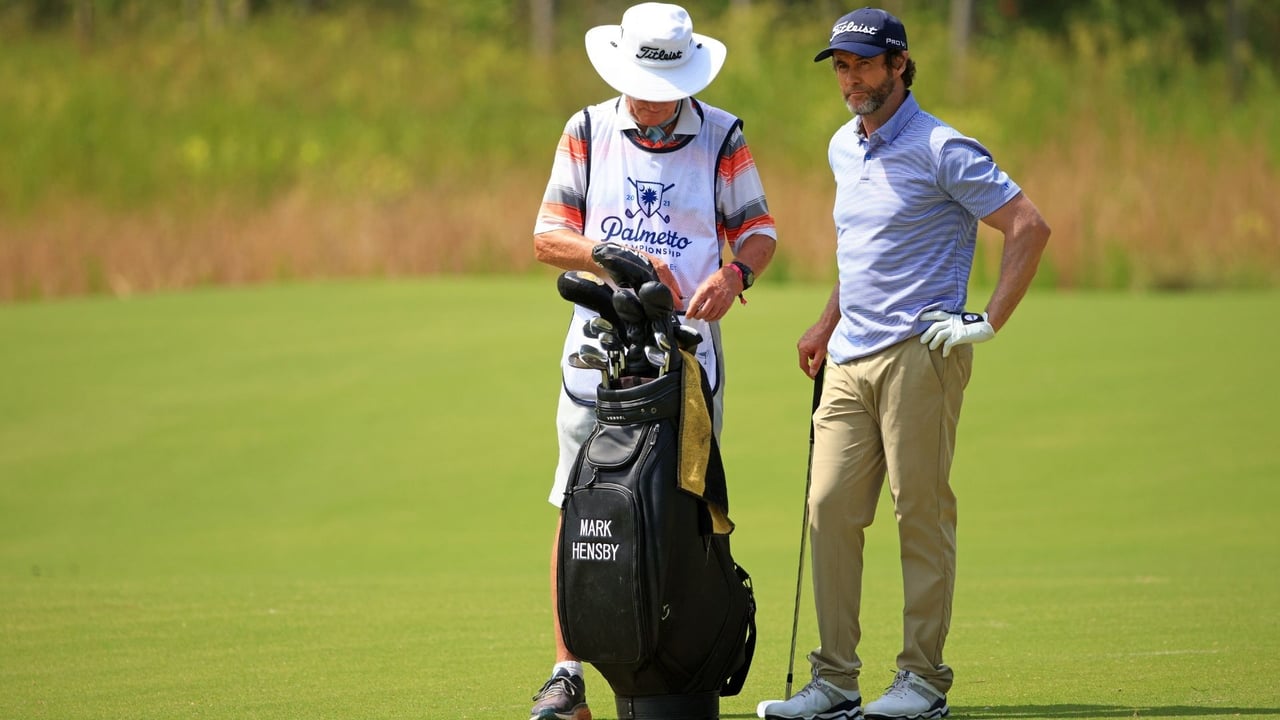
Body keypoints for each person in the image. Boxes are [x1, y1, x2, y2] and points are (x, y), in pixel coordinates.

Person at [757, 7, 1050, 720]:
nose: (851, 78)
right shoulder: (841, 147)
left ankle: (922, 681)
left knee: (918, 513)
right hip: (850, 358)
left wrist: (986, 320)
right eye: (841, 66)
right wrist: (825, 321)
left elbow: (1028, 225)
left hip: (922, 353)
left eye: (863, 64)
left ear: (899, 63)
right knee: (827, 507)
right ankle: (835, 680)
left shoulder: (942, 146)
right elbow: (864, 253)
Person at [530, 4, 778, 720]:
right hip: (598, 355)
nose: (649, 100)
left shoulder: (724, 134)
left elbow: (759, 229)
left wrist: (735, 276)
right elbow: (548, 235)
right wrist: (618, 261)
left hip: (689, 361)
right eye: (637, 84)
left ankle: (683, 659)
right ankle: (567, 673)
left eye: (662, 87)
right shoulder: (586, 130)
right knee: (578, 504)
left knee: (691, 504)